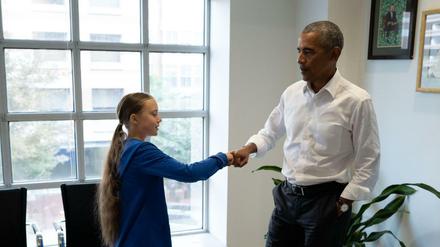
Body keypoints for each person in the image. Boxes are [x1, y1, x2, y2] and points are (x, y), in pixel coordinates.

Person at [233, 21, 380, 247]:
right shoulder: (291, 94)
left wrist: (345, 200)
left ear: (334, 54)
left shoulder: (357, 101)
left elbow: (369, 159)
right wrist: (249, 149)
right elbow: (270, 132)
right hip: (287, 198)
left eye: (308, 52)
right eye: (299, 51)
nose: (300, 59)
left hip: (328, 203)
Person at [97, 92, 234, 247]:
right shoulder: (142, 152)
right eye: (154, 114)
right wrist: (224, 158)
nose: (159, 119)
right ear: (134, 119)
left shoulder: (124, 148)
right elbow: (189, 173)